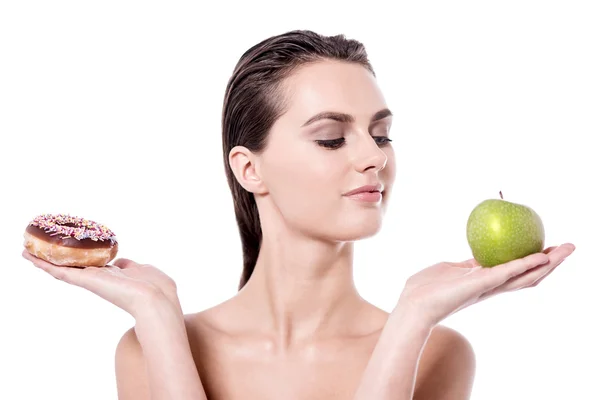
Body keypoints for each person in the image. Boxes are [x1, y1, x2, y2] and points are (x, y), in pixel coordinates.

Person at [22, 29, 575, 400]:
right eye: (333, 138)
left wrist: (411, 319)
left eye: (381, 134)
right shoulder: (151, 346)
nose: (374, 156)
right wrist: (159, 316)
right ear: (249, 170)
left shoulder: (438, 353)